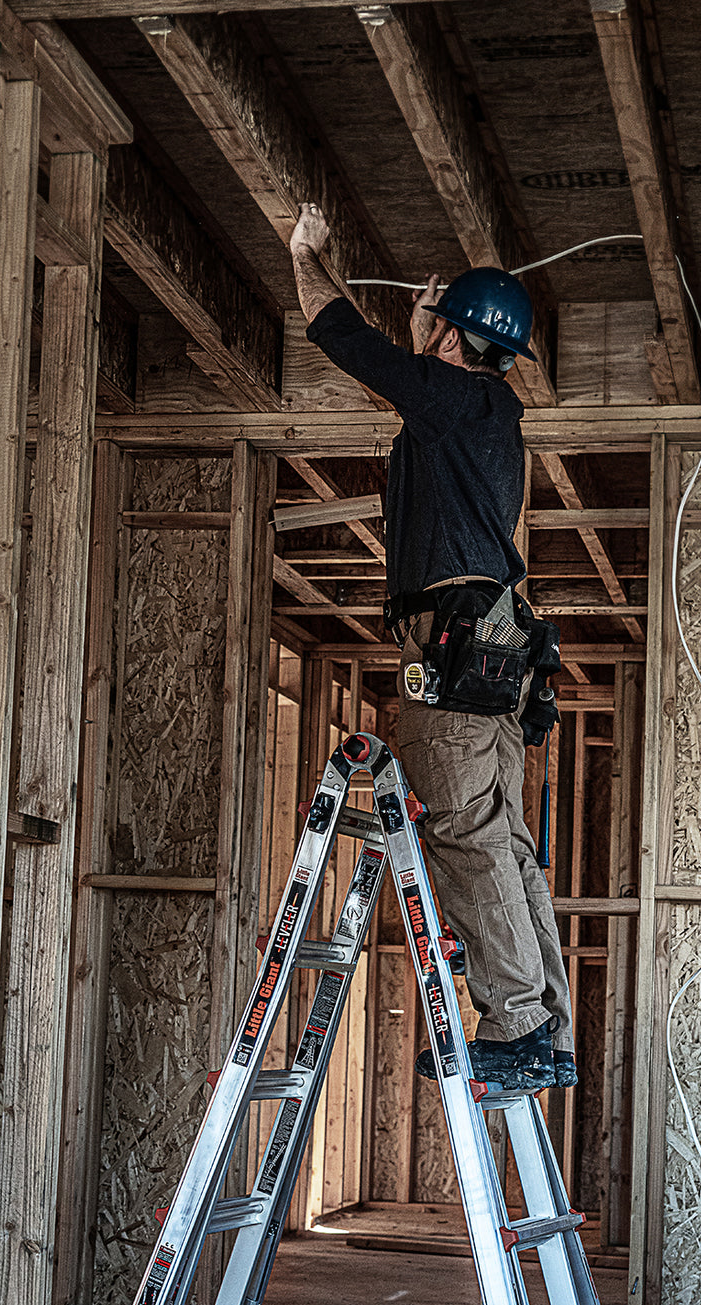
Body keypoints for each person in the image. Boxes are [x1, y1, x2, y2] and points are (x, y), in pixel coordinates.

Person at [290, 202, 576, 1091]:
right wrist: (430, 331)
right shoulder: (487, 415)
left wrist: (310, 255)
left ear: (457, 341)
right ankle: (546, 1027)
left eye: (441, 332)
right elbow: (414, 388)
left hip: (457, 663)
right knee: (504, 842)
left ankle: (520, 1022)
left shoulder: (457, 403)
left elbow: (341, 336)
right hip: (492, 661)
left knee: (464, 834)